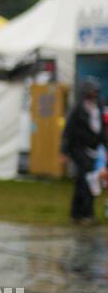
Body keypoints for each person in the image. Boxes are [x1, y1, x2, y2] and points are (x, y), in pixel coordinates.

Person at [61, 78, 106, 223]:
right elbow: (68, 131)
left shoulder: (99, 106)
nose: (95, 93)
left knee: (91, 181)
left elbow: (102, 130)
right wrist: (64, 150)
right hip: (79, 149)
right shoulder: (78, 109)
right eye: (92, 91)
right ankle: (80, 213)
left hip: (95, 150)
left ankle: (84, 213)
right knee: (84, 180)